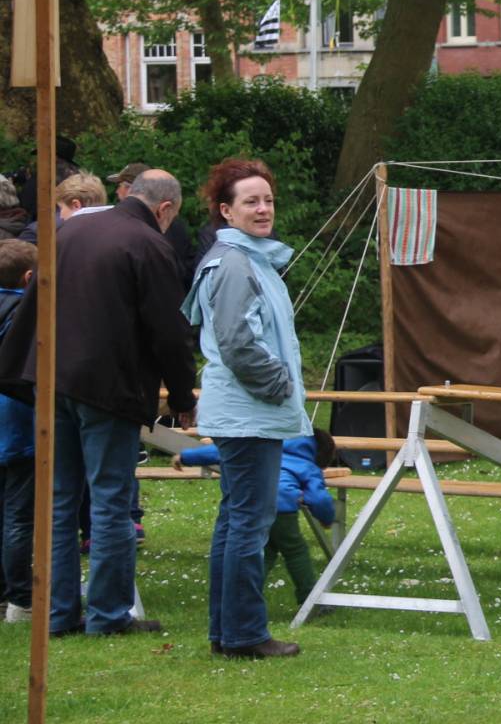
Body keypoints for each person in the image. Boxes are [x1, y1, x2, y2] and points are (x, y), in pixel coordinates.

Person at [0, 169, 197, 637]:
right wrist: (182, 395)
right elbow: (168, 331)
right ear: (165, 209)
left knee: (60, 501)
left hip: (51, 381)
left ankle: (59, 613)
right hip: (107, 389)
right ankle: (108, 615)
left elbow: (34, 304)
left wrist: (22, 371)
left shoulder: (70, 232)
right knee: (110, 501)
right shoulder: (149, 245)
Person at [183, 157, 310, 659]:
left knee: (236, 520)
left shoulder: (250, 258)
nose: (263, 209)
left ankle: (227, 632)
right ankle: (244, 634)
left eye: (268, 200)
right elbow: (239, 343)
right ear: (226, 211)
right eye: (250, 201)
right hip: (249, 412)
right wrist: (280, 386)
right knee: (249, 524)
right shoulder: (235, 263)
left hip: (245, 411)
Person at [175, 428, 337, 608]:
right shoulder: (308, 466)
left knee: (266, 551)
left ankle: (243, 597)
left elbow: (219, 452)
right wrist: (326, 519)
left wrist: (185, 457)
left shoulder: (266, 446)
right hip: (282, 508)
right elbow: (319, 499)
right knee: (295, 551)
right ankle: (310, 599)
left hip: (251, 502)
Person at [0, 240, 38, 623]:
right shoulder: (27, 316)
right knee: (19, 516)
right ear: (30, 278)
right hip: (18, 424)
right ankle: (21, 599)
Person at [110, 162, 196, 283]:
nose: (117, 191)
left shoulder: (162, 223)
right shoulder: (173, 222)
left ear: (132, 190)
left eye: (120, 186)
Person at [21, 172, 110, 244]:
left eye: (61, 208)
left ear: (76, 205)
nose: (61, 215)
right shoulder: (113, 233)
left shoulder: (38, 232)